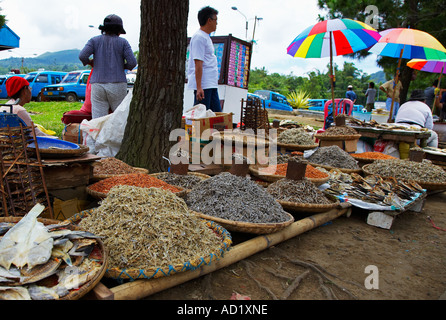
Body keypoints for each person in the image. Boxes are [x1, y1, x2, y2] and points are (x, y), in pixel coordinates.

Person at [79, 14, 137, 119]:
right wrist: (121, 66)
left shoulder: (94, 40)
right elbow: (132, 63)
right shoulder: (123, 42)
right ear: (119, 31)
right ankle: (119, 136)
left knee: (98, 120)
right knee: (120, 119)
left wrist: (91, 62)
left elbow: (82, 56)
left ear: (104, 29)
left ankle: (99, 135)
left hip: (97, 84)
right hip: (118, 84)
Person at [187, 6, 222, 113]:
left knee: (217, 116)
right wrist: (199, 87)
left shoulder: (206, 37)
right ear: (209, 20)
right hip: (204, 85)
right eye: (216, 20)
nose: (217, 23)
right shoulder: (199, 37)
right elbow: (198, 64)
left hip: (211, 83)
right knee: (200, 117)